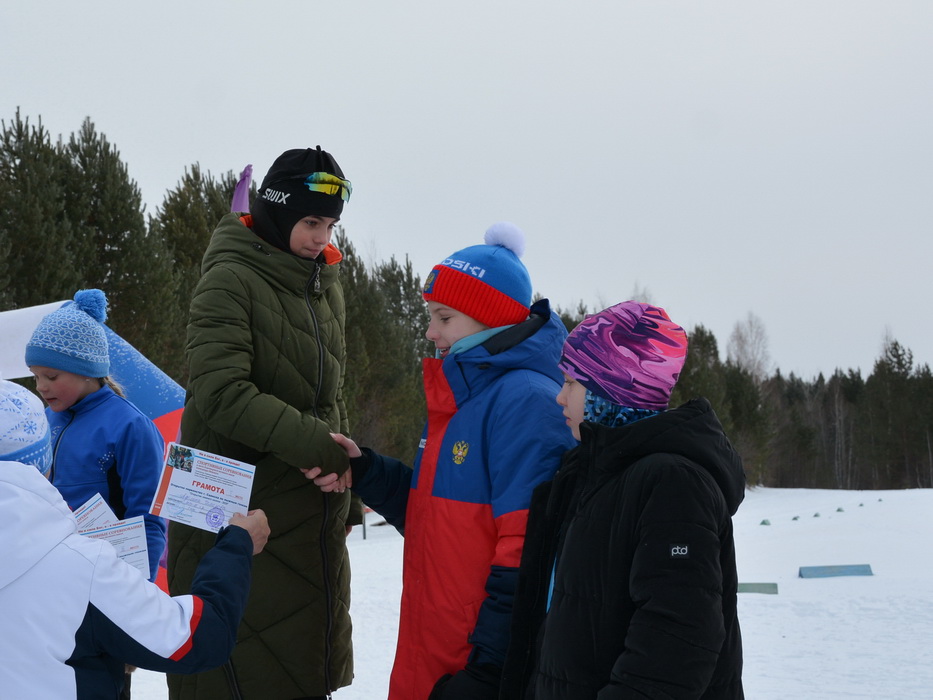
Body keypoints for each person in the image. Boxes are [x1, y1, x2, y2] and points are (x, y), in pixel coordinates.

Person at [307, 223, 577, 700]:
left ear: (490, 317)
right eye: (429, 316)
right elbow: (439, 519)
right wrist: (365, 470)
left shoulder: (527, 403)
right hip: (434, 651)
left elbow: (529, 554)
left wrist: (490, 670)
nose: (431, 332)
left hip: (474, 663)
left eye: (444, 317)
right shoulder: (466, 397)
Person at [167, 146, 359, 700]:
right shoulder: (229, 280)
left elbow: (331, 396)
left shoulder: (324, 287)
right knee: (242, 673)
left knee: (300, 666)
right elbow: (221, 393)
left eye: (330, 226)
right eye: (311, 222)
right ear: (277, 210)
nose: (321, 237)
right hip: (239, 514)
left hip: (308, 515)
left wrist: (346, 479)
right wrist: (318, 445)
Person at [501, 301, 746, 700]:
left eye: (572, 383)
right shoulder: (589, 474)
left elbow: (678, 640)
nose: (560, 398)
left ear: (612, 389)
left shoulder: (672, 483)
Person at [0, 378, 270, 699]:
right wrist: (236, 546)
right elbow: (197, 638)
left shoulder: (130, 425)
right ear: (45, 460)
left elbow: (145, 513)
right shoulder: (82, 568)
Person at [25, 288, 167, 583]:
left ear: (87, 370)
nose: (41, 386)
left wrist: (141, 591)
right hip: (48, 570)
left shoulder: (131, 426)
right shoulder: (46, 418)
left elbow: (149, 520)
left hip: (101, 578)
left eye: (51, 376)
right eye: (35, 376)